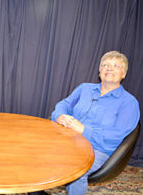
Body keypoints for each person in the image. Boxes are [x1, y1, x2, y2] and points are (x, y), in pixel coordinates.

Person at [51, 51, 140, 195]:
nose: (109, 68)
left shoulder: (129, 103)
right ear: (100, 72)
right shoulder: (84, 88)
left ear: (123, 74)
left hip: (97, 148)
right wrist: (59, 115)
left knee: (75, 170)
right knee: (37, 154)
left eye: (116, 65)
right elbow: (65, 104)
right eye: (105, 65)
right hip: (68, 138)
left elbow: (115, 137)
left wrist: (83, 130)